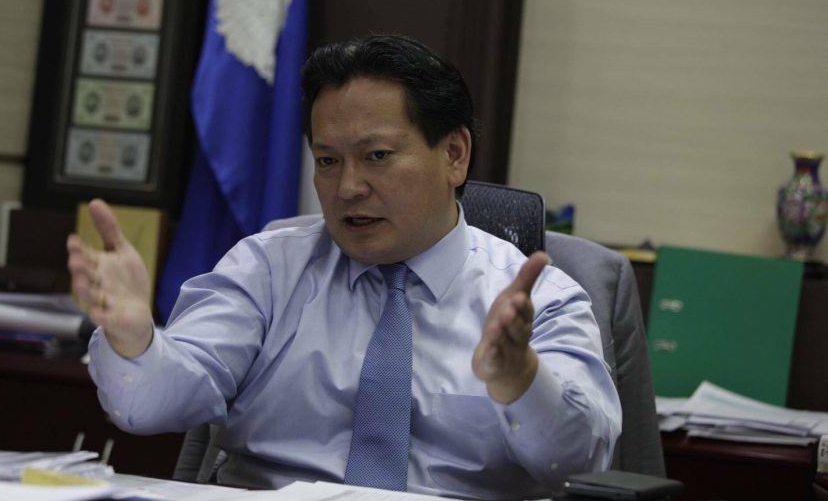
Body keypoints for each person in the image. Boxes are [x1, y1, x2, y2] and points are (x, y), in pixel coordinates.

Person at [67, 34, 621, 500]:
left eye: (377, 156)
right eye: (328, 161)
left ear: (454, 154)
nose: (348, 187)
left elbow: (577, 462)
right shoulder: (267, 270)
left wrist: (520, 378)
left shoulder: (541, 301)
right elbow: (147, 407)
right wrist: (134, 341)